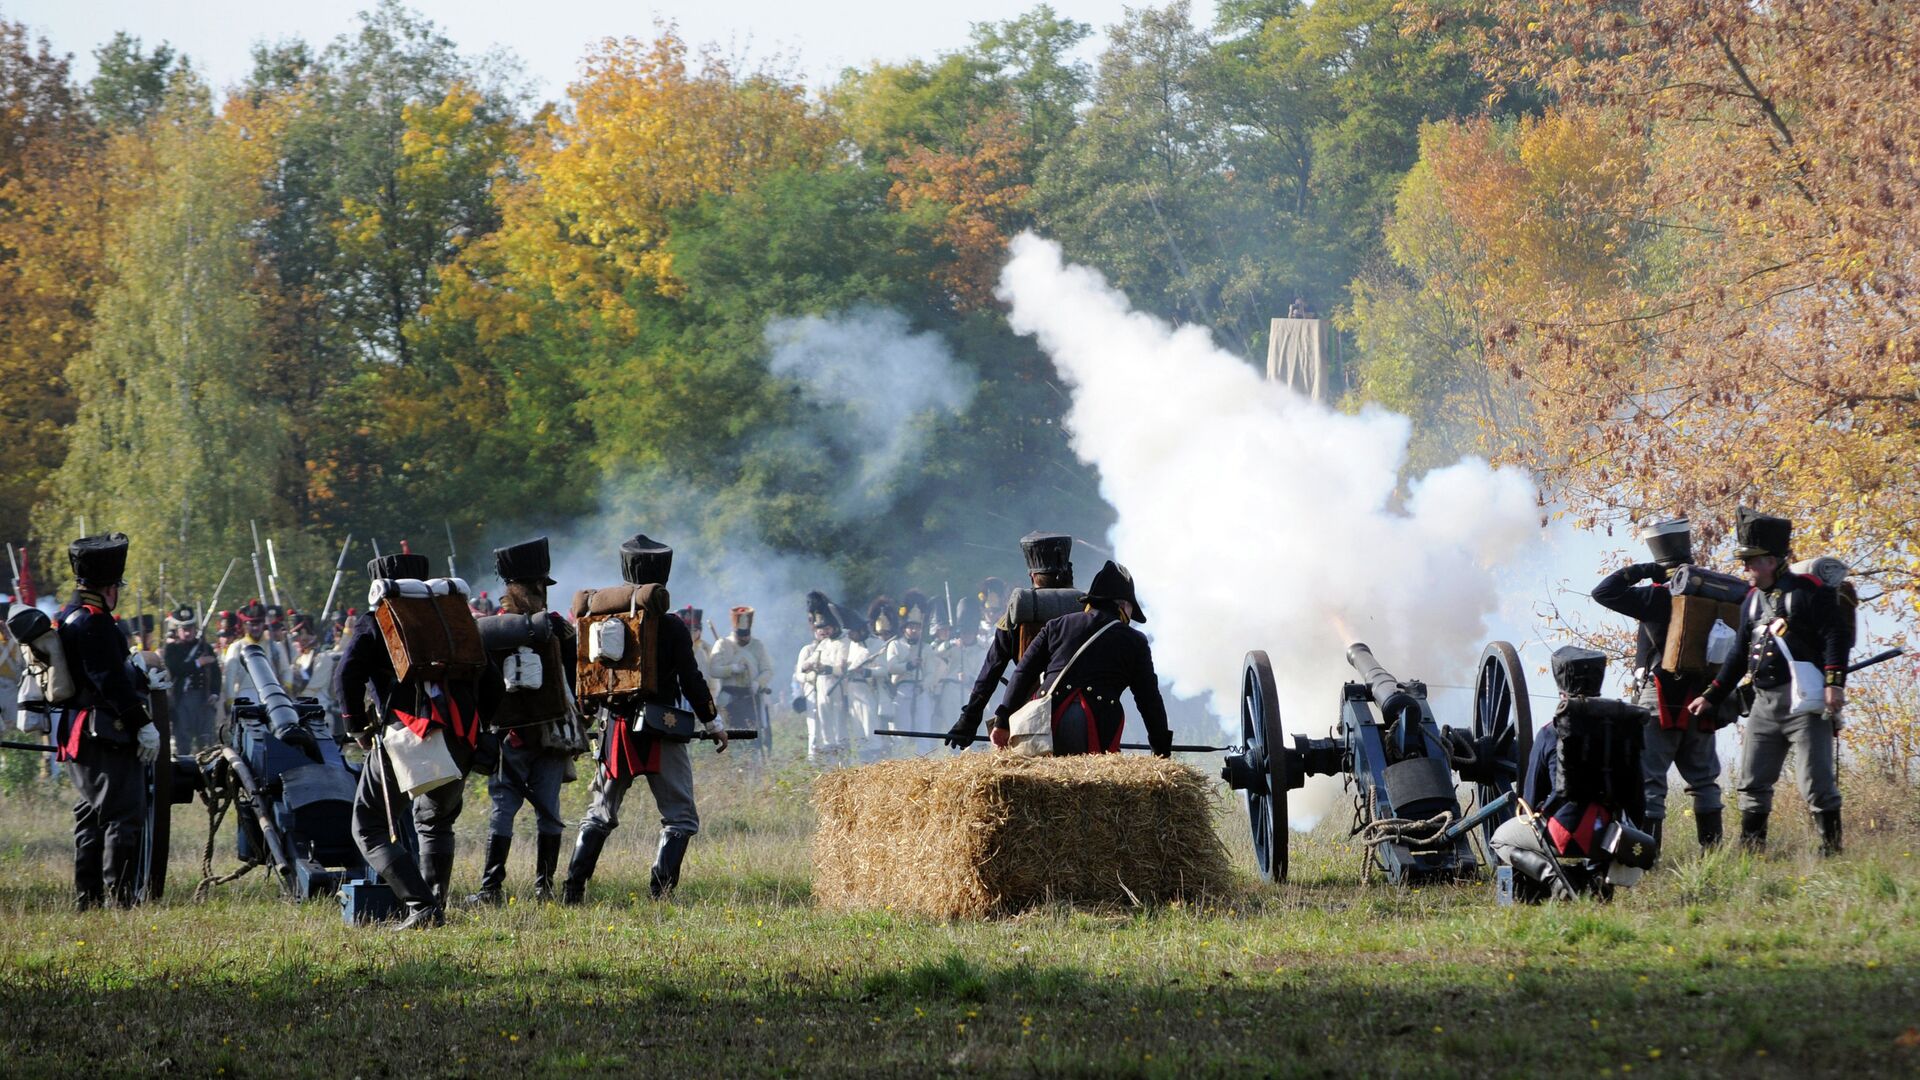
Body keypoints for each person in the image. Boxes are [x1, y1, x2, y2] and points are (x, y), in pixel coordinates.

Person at [562, 534, 726, 904]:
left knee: (600, 813)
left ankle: (573, 889)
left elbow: (588, 677)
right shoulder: (670, 626)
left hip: (614, 729)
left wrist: (584, 717)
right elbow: (691, 678)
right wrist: (713, 722)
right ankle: (660, 894)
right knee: (680, 818)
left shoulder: (599, 619)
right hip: (661, 727)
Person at [336, 551, 492, 930]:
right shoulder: (453, 621)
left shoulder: (377, 622)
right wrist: (478, 726)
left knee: (368, 827)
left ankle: (422, 907)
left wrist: (356, 726)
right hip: (463, 735)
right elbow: (491, 679)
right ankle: (433, 904)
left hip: (409, 734)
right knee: (435, 822)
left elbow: (345, 674)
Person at [1686, 508, 1852, 854]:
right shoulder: (1750, 601)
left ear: (1774, 560)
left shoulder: (1808, 591)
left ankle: (1832, 851)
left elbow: (1835, 634)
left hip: (1804, 700)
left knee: (1816, 782)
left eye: (1753, 561)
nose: (1746, 569)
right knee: (1752, 781)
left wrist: (1834, 683)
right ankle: (1752, 851)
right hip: (1764, 703)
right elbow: (1736, 656)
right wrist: (1712, 696)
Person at [1589, 518, 1727, 852]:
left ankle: (1647, 858)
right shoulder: (1711, 593)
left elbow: (1602, 592)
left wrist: (1640, 571)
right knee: (1705, 782)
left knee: (1650, 784)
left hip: (1658, 701)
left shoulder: (1654, 596)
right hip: (1703, 698)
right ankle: (1713, 855)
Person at [1491, 647, 1657, 900]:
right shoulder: (1624, 729)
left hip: (1563, 834)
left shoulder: (1549, 732)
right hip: (1607, 835)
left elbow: (1529, 798)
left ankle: (1552, 881)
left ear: (1561, 688)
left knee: (1500, 839)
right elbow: (1636, 796)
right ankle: (1596, 877)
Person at [469, 537, 579, 905]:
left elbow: (571, 675)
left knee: (547, 812)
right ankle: (492, 889)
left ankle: (541, 888)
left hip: (548, 735)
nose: (542, 594)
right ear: (526, 588)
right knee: (506, 812)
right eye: (538, 587)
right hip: (513, 736)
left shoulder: (553, 628)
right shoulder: (501, 628)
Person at [53, 533, 158, 909]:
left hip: (82, 732)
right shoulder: (95, 622)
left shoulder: (70, 616)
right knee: (123, 817)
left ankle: (89, 899)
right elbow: (107, 681)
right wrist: (141, 721)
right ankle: (120, 901)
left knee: (91, 817)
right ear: (109, 586)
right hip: (106, 733)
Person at [996, 561, 1171, 756]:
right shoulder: (1135, 640)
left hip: (1044, 720)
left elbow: (1023, 673)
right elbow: (1149, 700)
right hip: (1095, 725)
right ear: (1123, 605)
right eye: (1131, 609)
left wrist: (1002, 722)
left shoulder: (1057, 625)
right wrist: (1161, 749)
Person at [946, 531, 1081, 749]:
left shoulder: (1017, 613)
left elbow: (991, 670)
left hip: (1031, 713)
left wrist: (970, 718)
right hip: (1083, 712)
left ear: (1032, 576)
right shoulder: (1087, 609)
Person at [795, 592, 857, 763]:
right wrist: (808, 666)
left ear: (835, 626)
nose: (825, 631)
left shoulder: (845, 643)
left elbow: (842, 670)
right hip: (822, 689)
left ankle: (843, 763)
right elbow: (807, 663)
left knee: (839, 729)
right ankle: (830, 766)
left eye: (828, 627)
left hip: (836, 688)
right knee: (825, 729)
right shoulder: (823, 644)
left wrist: (826, 668)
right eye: (823, 628)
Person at [710, 606, 774, 757]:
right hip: (729, 699)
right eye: (741, 634)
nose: (744, 638)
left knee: (754, 741)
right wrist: (732, 668)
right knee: (733, 740)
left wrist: (758, 683)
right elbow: (713, 670)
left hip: (751, 697)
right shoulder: (722, 644)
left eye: (746, 634)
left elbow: (768, 670)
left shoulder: (758, 646)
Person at [161, 605, 219, 754]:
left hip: (204, 699)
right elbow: (176, 669)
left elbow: (215, 673)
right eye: (183, 629)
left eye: (190, 628)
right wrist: (199, 663)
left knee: (207, 742)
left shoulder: (205, 648)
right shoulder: (172, 650)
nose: (187, 632)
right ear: (177, 630)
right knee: (183, 741)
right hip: (182, 700)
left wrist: (214, 693)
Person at [885, 597, 943, 742]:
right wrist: (909, 665)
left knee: (923, 729)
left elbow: (931, 672)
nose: (914, 630)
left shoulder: (926, 648)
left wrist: (923, 686)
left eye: (917, 627)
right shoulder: (895, 645)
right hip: (902, 689)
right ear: (905, 628)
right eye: (911, 627)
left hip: (921, 690)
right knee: (900, 732)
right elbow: (891, 667)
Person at [678, 605, 720, 703]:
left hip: (702, 696)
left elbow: (713, 680)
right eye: (686, 630)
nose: (689, 634)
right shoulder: (674, 647)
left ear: (699, 631)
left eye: (693, 630)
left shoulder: (707, 649)